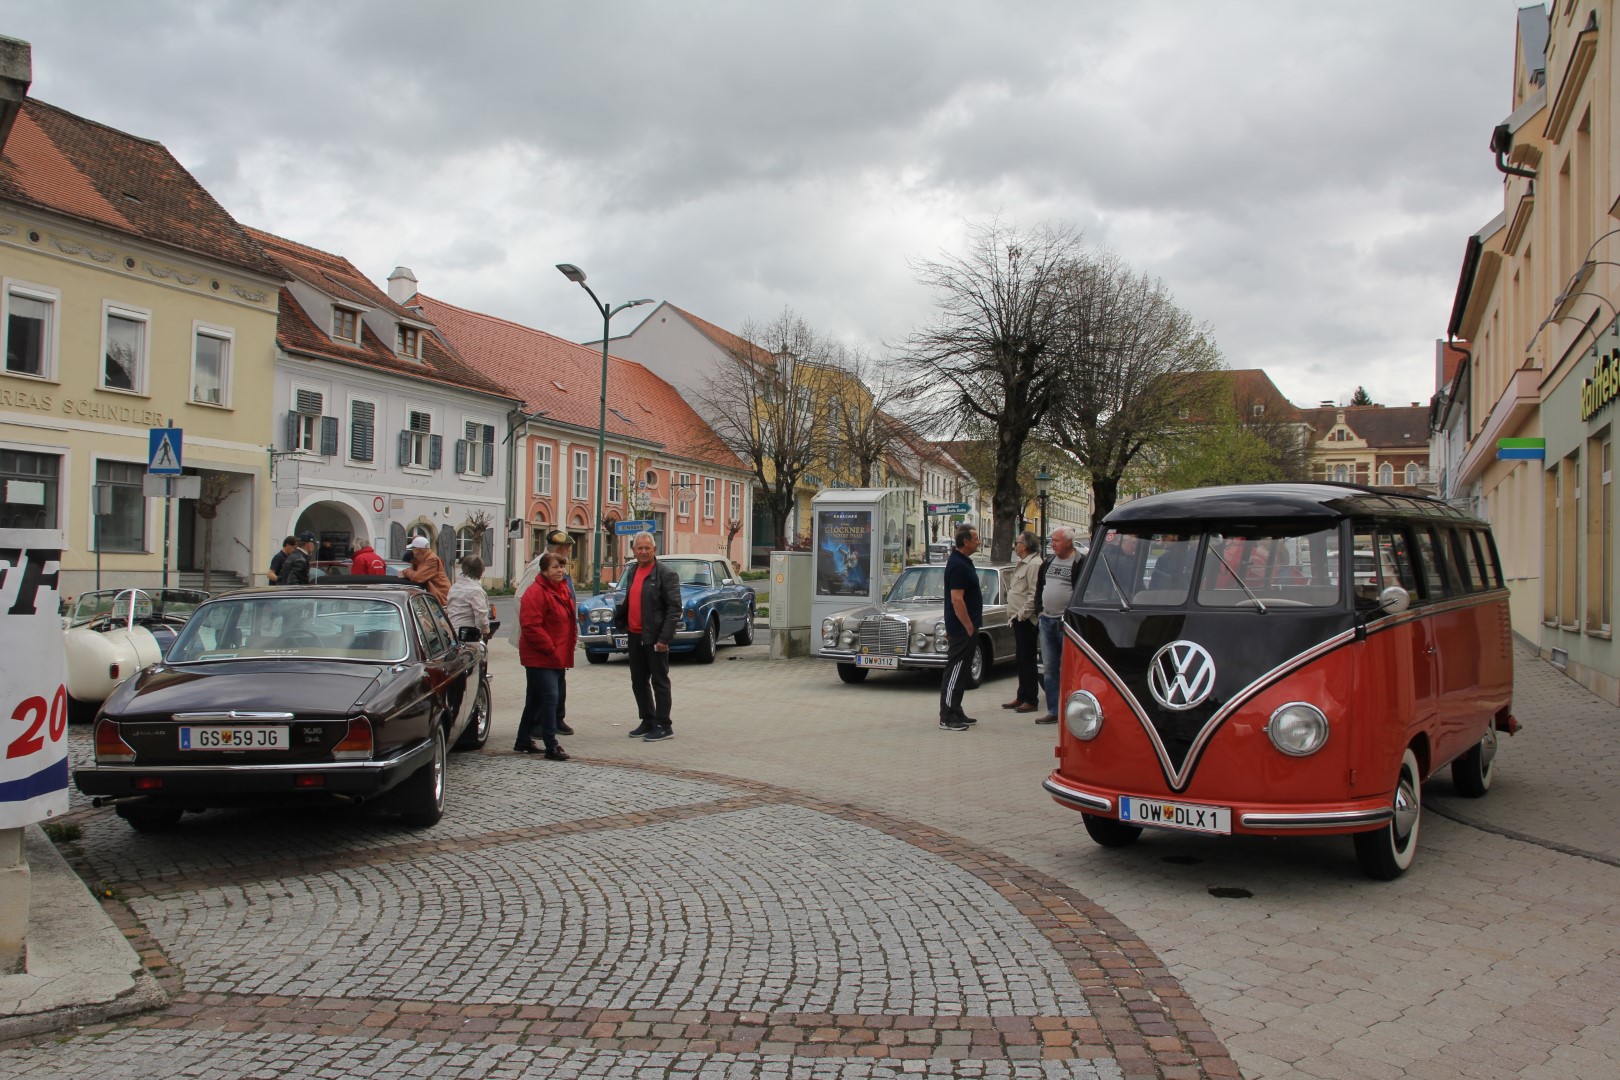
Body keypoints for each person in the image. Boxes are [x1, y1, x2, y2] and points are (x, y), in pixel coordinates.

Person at [614, 531, 681, 742]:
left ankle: (664, 724)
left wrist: (664, 639)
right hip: (635, 635)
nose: (643, 552)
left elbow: (674, 609)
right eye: (639, 548)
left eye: (647, 548)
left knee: (660, 682)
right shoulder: (633, 571)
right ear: (633, 551)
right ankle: (648, 719)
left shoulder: (666, 574)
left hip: (655, 638)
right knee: (638, 682)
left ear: (654, 550)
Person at [515, 552, 574, 760]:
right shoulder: (536, 592)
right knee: (550, 699)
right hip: (541, 657)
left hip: (555, 655)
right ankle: (551, 745)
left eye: (562, 566)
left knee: (535, 700)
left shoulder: (562, 589)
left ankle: (522, 739)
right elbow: (531, 626)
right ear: (544, 571)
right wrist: (550, 648)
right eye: (555, 567)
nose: (560, 571)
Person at [1035, 526, 1085, 725]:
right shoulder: (1048, 562)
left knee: (1070, 669)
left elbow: (1082, 591)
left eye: (1056, 540)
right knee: (1049, 668)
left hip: (1067, 624)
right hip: (1046, 620)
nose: (1052, 544)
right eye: (1051, 540)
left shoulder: (1080, 562)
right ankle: (1054, 710)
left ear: (1068, 542)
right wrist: (1039, 608)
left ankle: (1072, 710)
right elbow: (1040, 587)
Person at [939, 523, 982, 731]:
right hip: (962, 629)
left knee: (962, 671)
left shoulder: (965, 561)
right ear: (965, 541)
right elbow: (957, 600)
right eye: (975, 538)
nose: (979, 541)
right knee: (955, 670)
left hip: (967, 628)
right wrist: (968, 626)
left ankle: (956, 709)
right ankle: (947, 716)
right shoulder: (957, 564)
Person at [1001, 530, 1042, 715]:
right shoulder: (1023, 562)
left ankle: (1031, 699)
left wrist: (1023, 614)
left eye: (1017, 542)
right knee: (1021, 658)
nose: (1015, 545)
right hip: (1017, 618)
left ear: (1024, 546)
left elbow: (1034, 593)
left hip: (1026, 619)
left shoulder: (1034, 564)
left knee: (1028, 659)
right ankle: (1022, 694)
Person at [544, 530, 578, 736]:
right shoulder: (545, 566)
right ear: (558, 549)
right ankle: (545, 723)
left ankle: (558, 718)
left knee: (559, 679)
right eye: (566, 548)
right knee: (547, 684)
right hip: (550, 636)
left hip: (562, 635)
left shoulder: (560, 567)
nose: (568, 551)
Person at [445, 555, 491, 639]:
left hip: (452, 634)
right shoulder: (476, 591)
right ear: (481, 571)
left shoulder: (454, 587)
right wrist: (485, 631)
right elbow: (481, 617)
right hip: (467, 636)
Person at [401, 535, 450, 604]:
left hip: (441, 595)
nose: (412, 551)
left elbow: (418, 577)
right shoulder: (424, 558)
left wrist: (406, 572)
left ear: (418, 549)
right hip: (437, 595)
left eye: (413, 548)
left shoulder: (432, 560)